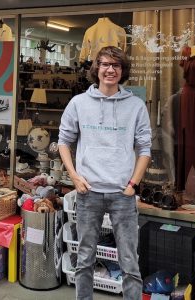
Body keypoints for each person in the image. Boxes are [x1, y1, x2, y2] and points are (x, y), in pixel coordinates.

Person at [58, 46, 151, 300]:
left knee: (130, 262)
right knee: (85, 258)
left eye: (116, 65)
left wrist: (133, 183)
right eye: (105, 64)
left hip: (123, 194)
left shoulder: (136, 106)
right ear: (96, 69)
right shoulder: (78, 103)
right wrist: (74, 177)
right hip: (89, 192)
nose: (111, 70)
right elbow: (63, 142)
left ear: (123, 71)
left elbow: (145, 148)